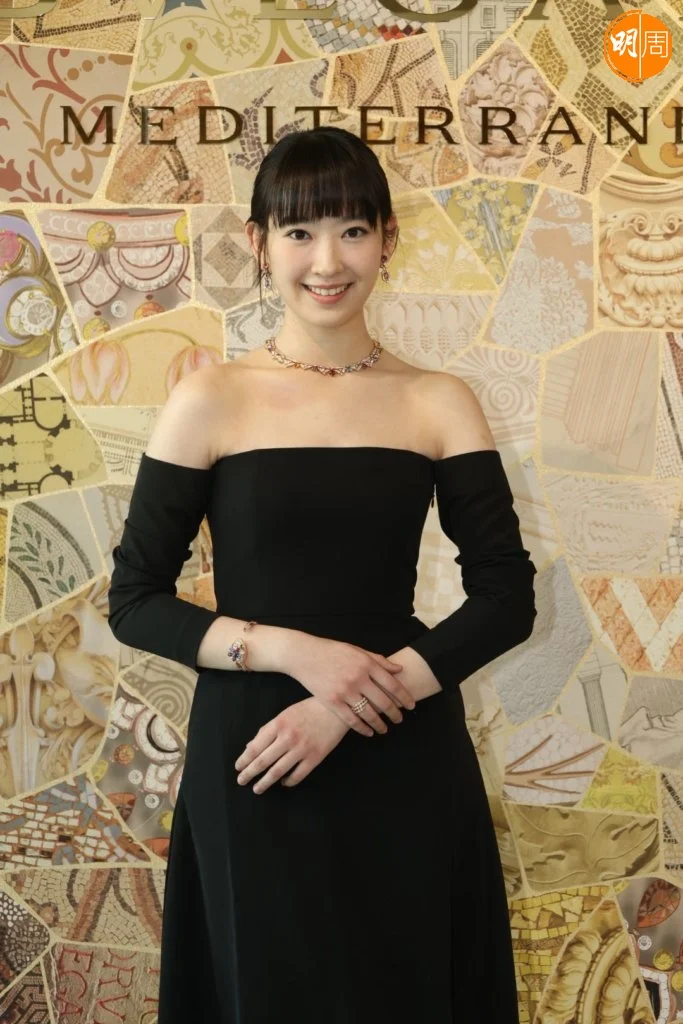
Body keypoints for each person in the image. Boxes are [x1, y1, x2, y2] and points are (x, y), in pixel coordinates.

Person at [107, 125, 537, 1023]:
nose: (327, 260)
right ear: (258, 243)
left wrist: (349, 699)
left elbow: (505, 597)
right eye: (299, 232)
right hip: (257, 755)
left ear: (386, 239)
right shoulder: (210, 398)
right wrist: (295, 653)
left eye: (352, 230)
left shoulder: (438, 400)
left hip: (401, 742)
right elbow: (135, 600)